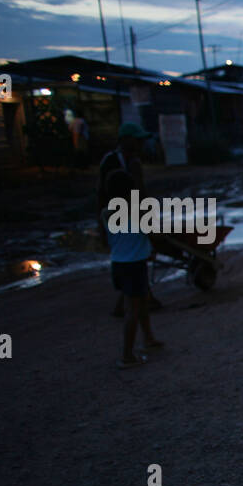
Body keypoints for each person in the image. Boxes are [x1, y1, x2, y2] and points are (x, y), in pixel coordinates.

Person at [100, 167, 163, 368]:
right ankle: (127, 356)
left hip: (118, 264)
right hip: (134, 265)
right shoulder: (138, 211)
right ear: (130, 190)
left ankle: (149, 339)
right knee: (133, 310)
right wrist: (153, 246)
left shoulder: (106, 213)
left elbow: (112, 239)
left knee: (141, 302)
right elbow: (152, 233)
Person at [98, 122, 160, 317]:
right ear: (126, 140)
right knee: (132, 258)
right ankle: (134, 305)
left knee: (131, 258)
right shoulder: (112, 162)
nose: (140, 144)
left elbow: (141, 193)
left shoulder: (133, 161)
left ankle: (138, 301)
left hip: (130, 215)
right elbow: (103, 193)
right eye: (137, 140)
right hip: (119, 217)